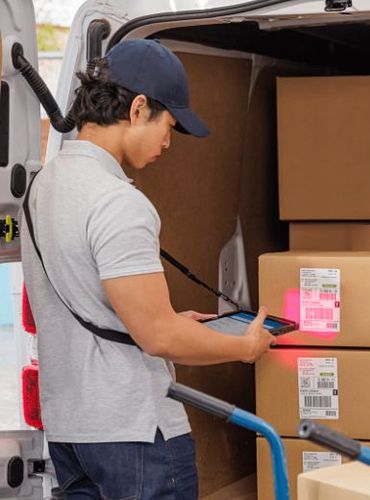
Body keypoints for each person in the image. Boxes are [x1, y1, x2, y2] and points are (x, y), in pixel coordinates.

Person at [21, 39, 275, 498]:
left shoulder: (43, 186)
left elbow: (95, 301)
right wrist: (244, 346)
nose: (168, 143)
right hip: (133, 431)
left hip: (69, 432)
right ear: (138, 109)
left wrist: (168, 320)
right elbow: (158, 337)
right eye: (168, 126)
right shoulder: (119, 202)